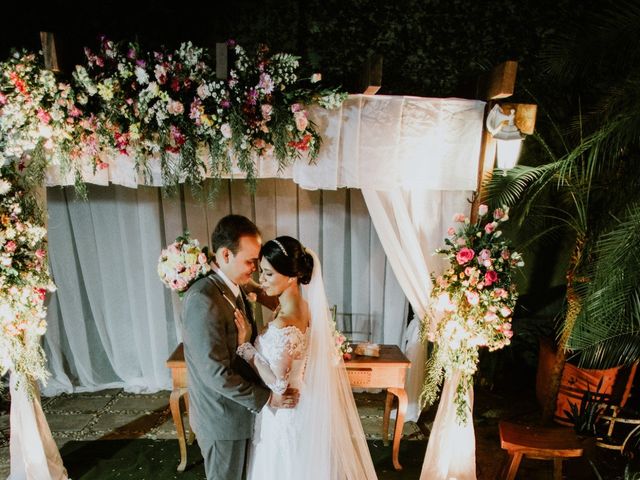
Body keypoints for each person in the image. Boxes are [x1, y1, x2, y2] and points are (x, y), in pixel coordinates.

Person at [234, 236, 378, 480]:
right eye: (261, 272)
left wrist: (246, 348)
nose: (262, 280)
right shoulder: (306, 308)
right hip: (304, 403)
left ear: (291, 276)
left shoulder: (284, 323)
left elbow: (278, 384)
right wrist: (252, 289)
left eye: (268, 274)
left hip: (285, 412)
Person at [181, 215, 298, 480]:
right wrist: (268, 398)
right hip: (222, 420)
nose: (255, 269)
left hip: (239, 414)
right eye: (250, 261)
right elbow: (215, 374)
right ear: (225, 255)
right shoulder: (203, 300)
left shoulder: (233, 286)